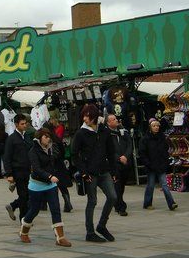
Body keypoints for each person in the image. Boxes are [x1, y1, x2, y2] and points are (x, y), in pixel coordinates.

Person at [72, 104, 117, 243]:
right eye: (84, 116)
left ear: (94, 117)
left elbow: (111, 151)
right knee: (92, 201)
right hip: (90, 173)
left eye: (88, 116)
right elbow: (74, 154)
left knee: (113, 197)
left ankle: (102, 225)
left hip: (104, 170)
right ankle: (90, 232)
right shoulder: (81, 133)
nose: (85, 119)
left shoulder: (104, 131)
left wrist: (114, 170)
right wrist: (83, 172)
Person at [19, 128, 71, 247]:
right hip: (36, 185)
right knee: (34, 210)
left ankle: (60, 238)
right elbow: (36, 169)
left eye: (49, 136)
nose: (48, 138)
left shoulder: (52, 148)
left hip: (50, 185)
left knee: (55, 209)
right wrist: (49, 176)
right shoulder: (33, 151)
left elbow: (55, 161)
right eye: (45, 136)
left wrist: (54, 176)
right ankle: (24, 231)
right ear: (39, 138)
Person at [139, 118, 178, 211]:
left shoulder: (162, 138)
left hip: (161, 165)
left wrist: (166, 162)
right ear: (150, 127)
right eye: (154, 126)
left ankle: (171, 203)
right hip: (151, 166)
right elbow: (142, 154)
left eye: (157, 126)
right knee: (151, 185)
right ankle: (147, 203)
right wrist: (148, 164)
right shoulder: (145, 139)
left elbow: (165, 151)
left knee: (164, 184)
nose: (156, 127)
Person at [3, 114, 31, 222]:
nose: (24, 126)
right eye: (22, 124)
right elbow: (7, 157)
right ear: (16, 125)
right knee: (23, 195)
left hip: (28, 170)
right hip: (17, 171)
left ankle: (13, 206)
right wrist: (9, 174)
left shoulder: (27, 136)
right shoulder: (11, 139)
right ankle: (24, 220)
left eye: (25, 123)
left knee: (28, 195)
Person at [44, 118, 73, 212]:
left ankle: (44, 204)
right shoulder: (57, 138)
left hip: (51, 165)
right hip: (60, 165)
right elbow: (63, 152)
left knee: (48, 185)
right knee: (62, 185)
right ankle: (67, 203)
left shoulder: (47, 141)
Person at [106, 114, 133, 216]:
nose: (116, 121)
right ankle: (121, 207)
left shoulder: (123, 131)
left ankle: (117, 203)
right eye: (113, 119)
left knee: (121, 186)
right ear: (108, 123)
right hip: (114, 164)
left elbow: (130, 144)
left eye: (116, 119)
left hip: (125, 163)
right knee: (117, 185)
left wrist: (126, 156)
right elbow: (108, 150)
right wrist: (118, 158)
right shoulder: (107, 133)